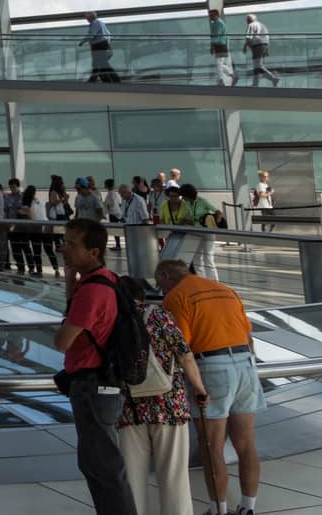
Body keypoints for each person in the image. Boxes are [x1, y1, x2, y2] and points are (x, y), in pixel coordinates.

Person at [157, 258, 262, 515]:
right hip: (245, 366)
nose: (160, 291)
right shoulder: (225, 290)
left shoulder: (176, 297)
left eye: (160, 285)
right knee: (246, 444)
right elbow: (248, 336)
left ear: (167, 276)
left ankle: (218, 510)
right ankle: (248, 507)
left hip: (211, 368)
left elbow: (182, 347)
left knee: (211, 446)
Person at [53, 218, 135, 514]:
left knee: (105, 467)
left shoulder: (91, 292)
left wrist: (65, 323)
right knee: (94, 463)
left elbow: (62, 341)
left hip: (93, 385)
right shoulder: (105, 279)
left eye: (73, 245)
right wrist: (70, 278)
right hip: (98, 383)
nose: (65, 249)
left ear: (94, 252)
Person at [117, 274, 203, 515]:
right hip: (169, 405)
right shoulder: (159, 316)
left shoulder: (112, 320)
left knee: (132, 478)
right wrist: (199, 388)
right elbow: (185, 355)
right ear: (142, 295)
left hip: (128, 408)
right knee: (174, 475)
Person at [179, 183, 222, 281]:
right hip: (195, 232)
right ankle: (202, 281)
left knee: (208, 258)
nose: (183, 198)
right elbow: (189, 217)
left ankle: (214, 282)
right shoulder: (187, 204)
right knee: (196, 259)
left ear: (188, 194)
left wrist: (215, 224)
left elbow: (218, 212)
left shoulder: (202, 201)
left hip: (207, 232)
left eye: (183, 196)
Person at [81, 11, 121, 82]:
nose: (85, 18)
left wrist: (83, 41)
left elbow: (92, 35)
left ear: (91, 17)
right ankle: (109, 80)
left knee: (99, 63)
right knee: (102, 63)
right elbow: (108, 34)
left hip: (98, 45)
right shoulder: (100, 23)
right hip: (101, 44)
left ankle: (94, 80)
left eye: (87, 16)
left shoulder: (95, 23)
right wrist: (107, 44)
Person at [243, 12, 279, 85]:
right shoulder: (262, 25)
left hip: (257, 46)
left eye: (247, 19)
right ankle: (255, 83)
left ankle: (273, 78)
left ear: (250, 19)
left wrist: (245, 47)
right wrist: (266, 49)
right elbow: (266, 38)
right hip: (263, 46)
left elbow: (248, 37)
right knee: (257, 65)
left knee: (258, 66)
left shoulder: (251, 25)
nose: (247, 21)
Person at [210, 8, 236, 86]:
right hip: (222, 45)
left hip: (220, 45)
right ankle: (232, 76)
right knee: (219, 63)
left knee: (218, 63)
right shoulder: (219, 23)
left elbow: (216, 36)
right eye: (210, 15)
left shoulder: (217, 23)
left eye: (211, 15)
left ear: (216, 15)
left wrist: (212, 46)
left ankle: (221, 81)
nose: (210, 17)